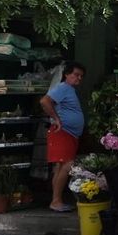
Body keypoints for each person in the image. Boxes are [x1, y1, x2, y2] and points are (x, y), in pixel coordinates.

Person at [40, 61, 85, 212]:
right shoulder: (63, 88)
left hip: (68, 133)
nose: (79, 78)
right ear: (66, 74)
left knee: (60, 167)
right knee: (67, 165)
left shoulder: (69, 89)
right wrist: (57, 119)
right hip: (63, 132)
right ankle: (56, 200)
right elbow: (45, 101)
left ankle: (56, 200)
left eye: (81, 76)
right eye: (76, 75)